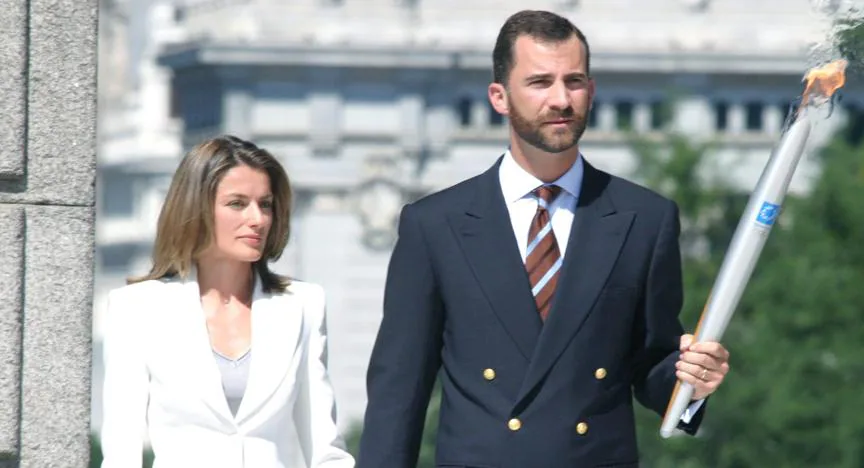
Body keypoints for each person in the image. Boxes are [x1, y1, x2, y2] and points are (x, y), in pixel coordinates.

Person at [357, 9, 733, 468]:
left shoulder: (645, 219)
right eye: (540, 83)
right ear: (499, 96)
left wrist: (691, 382)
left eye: (574, 81)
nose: (561, 99)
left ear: (591, 91)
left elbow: (651, 365)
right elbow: (400, 388)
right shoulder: (435, 224)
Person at [99, 135, 355, 468]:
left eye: (265, 204)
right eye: (237, 203)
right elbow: (121, 452)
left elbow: (326, 449)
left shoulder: (302, 305)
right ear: (195, 208)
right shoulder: (137, 308)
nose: (258, 219)